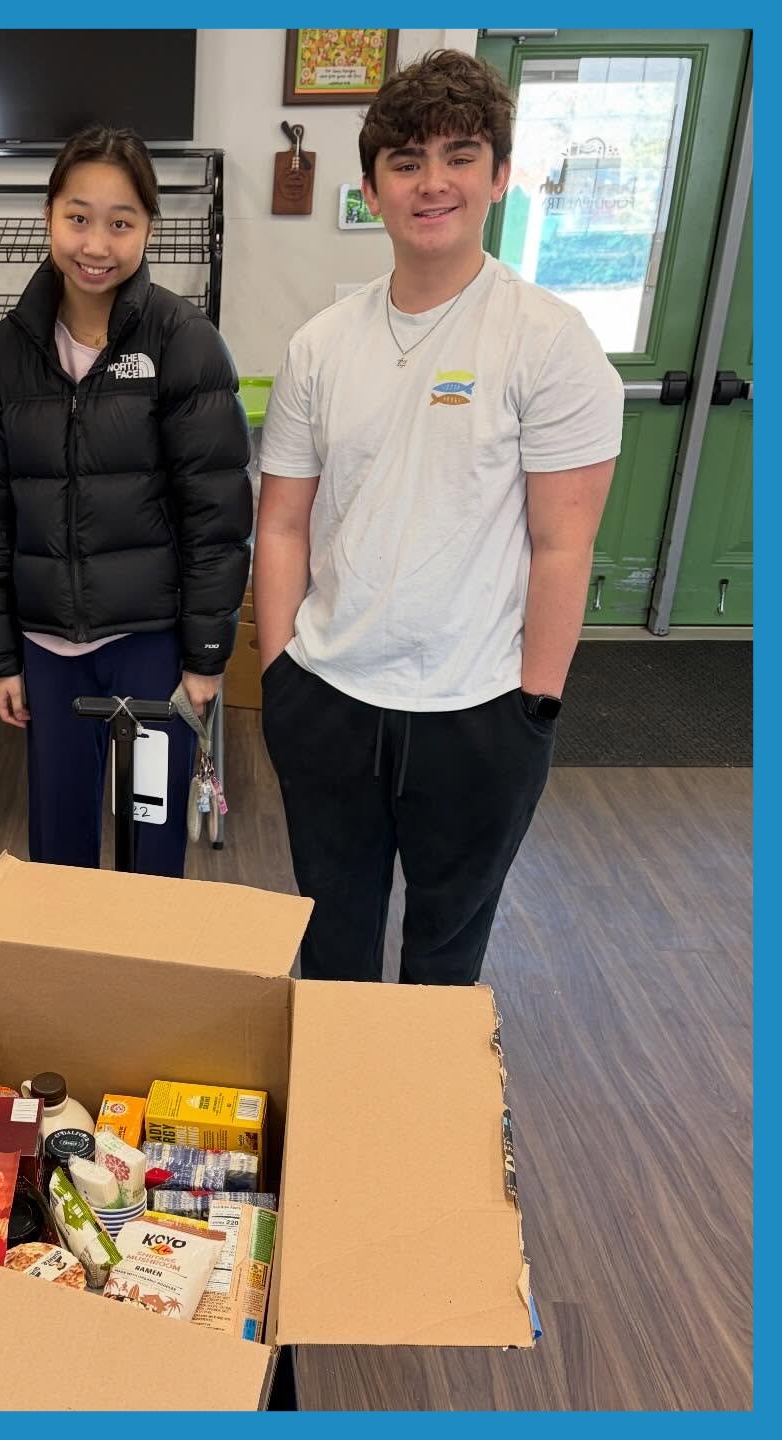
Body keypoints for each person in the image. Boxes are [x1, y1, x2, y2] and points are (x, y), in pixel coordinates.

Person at [255, 49, 624, 984]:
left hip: (480, 709)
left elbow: (562, 543)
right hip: (329, 697)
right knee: (331, 947)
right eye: (407, 162)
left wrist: (533, 705)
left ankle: (418, 1122)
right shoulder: (319, 347)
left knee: (445, 957)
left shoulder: (551, 343)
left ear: (499, 176)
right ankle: (339, 1122)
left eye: (461, 155)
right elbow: (284, 524)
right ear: (373, 188)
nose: (434, 183)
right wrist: (281, 675)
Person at [0, 126, 252, 878]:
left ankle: (145, 990)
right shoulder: (2, 356)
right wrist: (2, 657)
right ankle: (71, 991)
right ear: (49, 215)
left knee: (147, 846)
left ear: (148, 229)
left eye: (121, 223)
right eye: (78, 217)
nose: (97, 243)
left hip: (150, 648)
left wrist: (206, 658)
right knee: (56, 851)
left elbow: (216, 521)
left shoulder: (184, 342)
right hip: (48, 652)